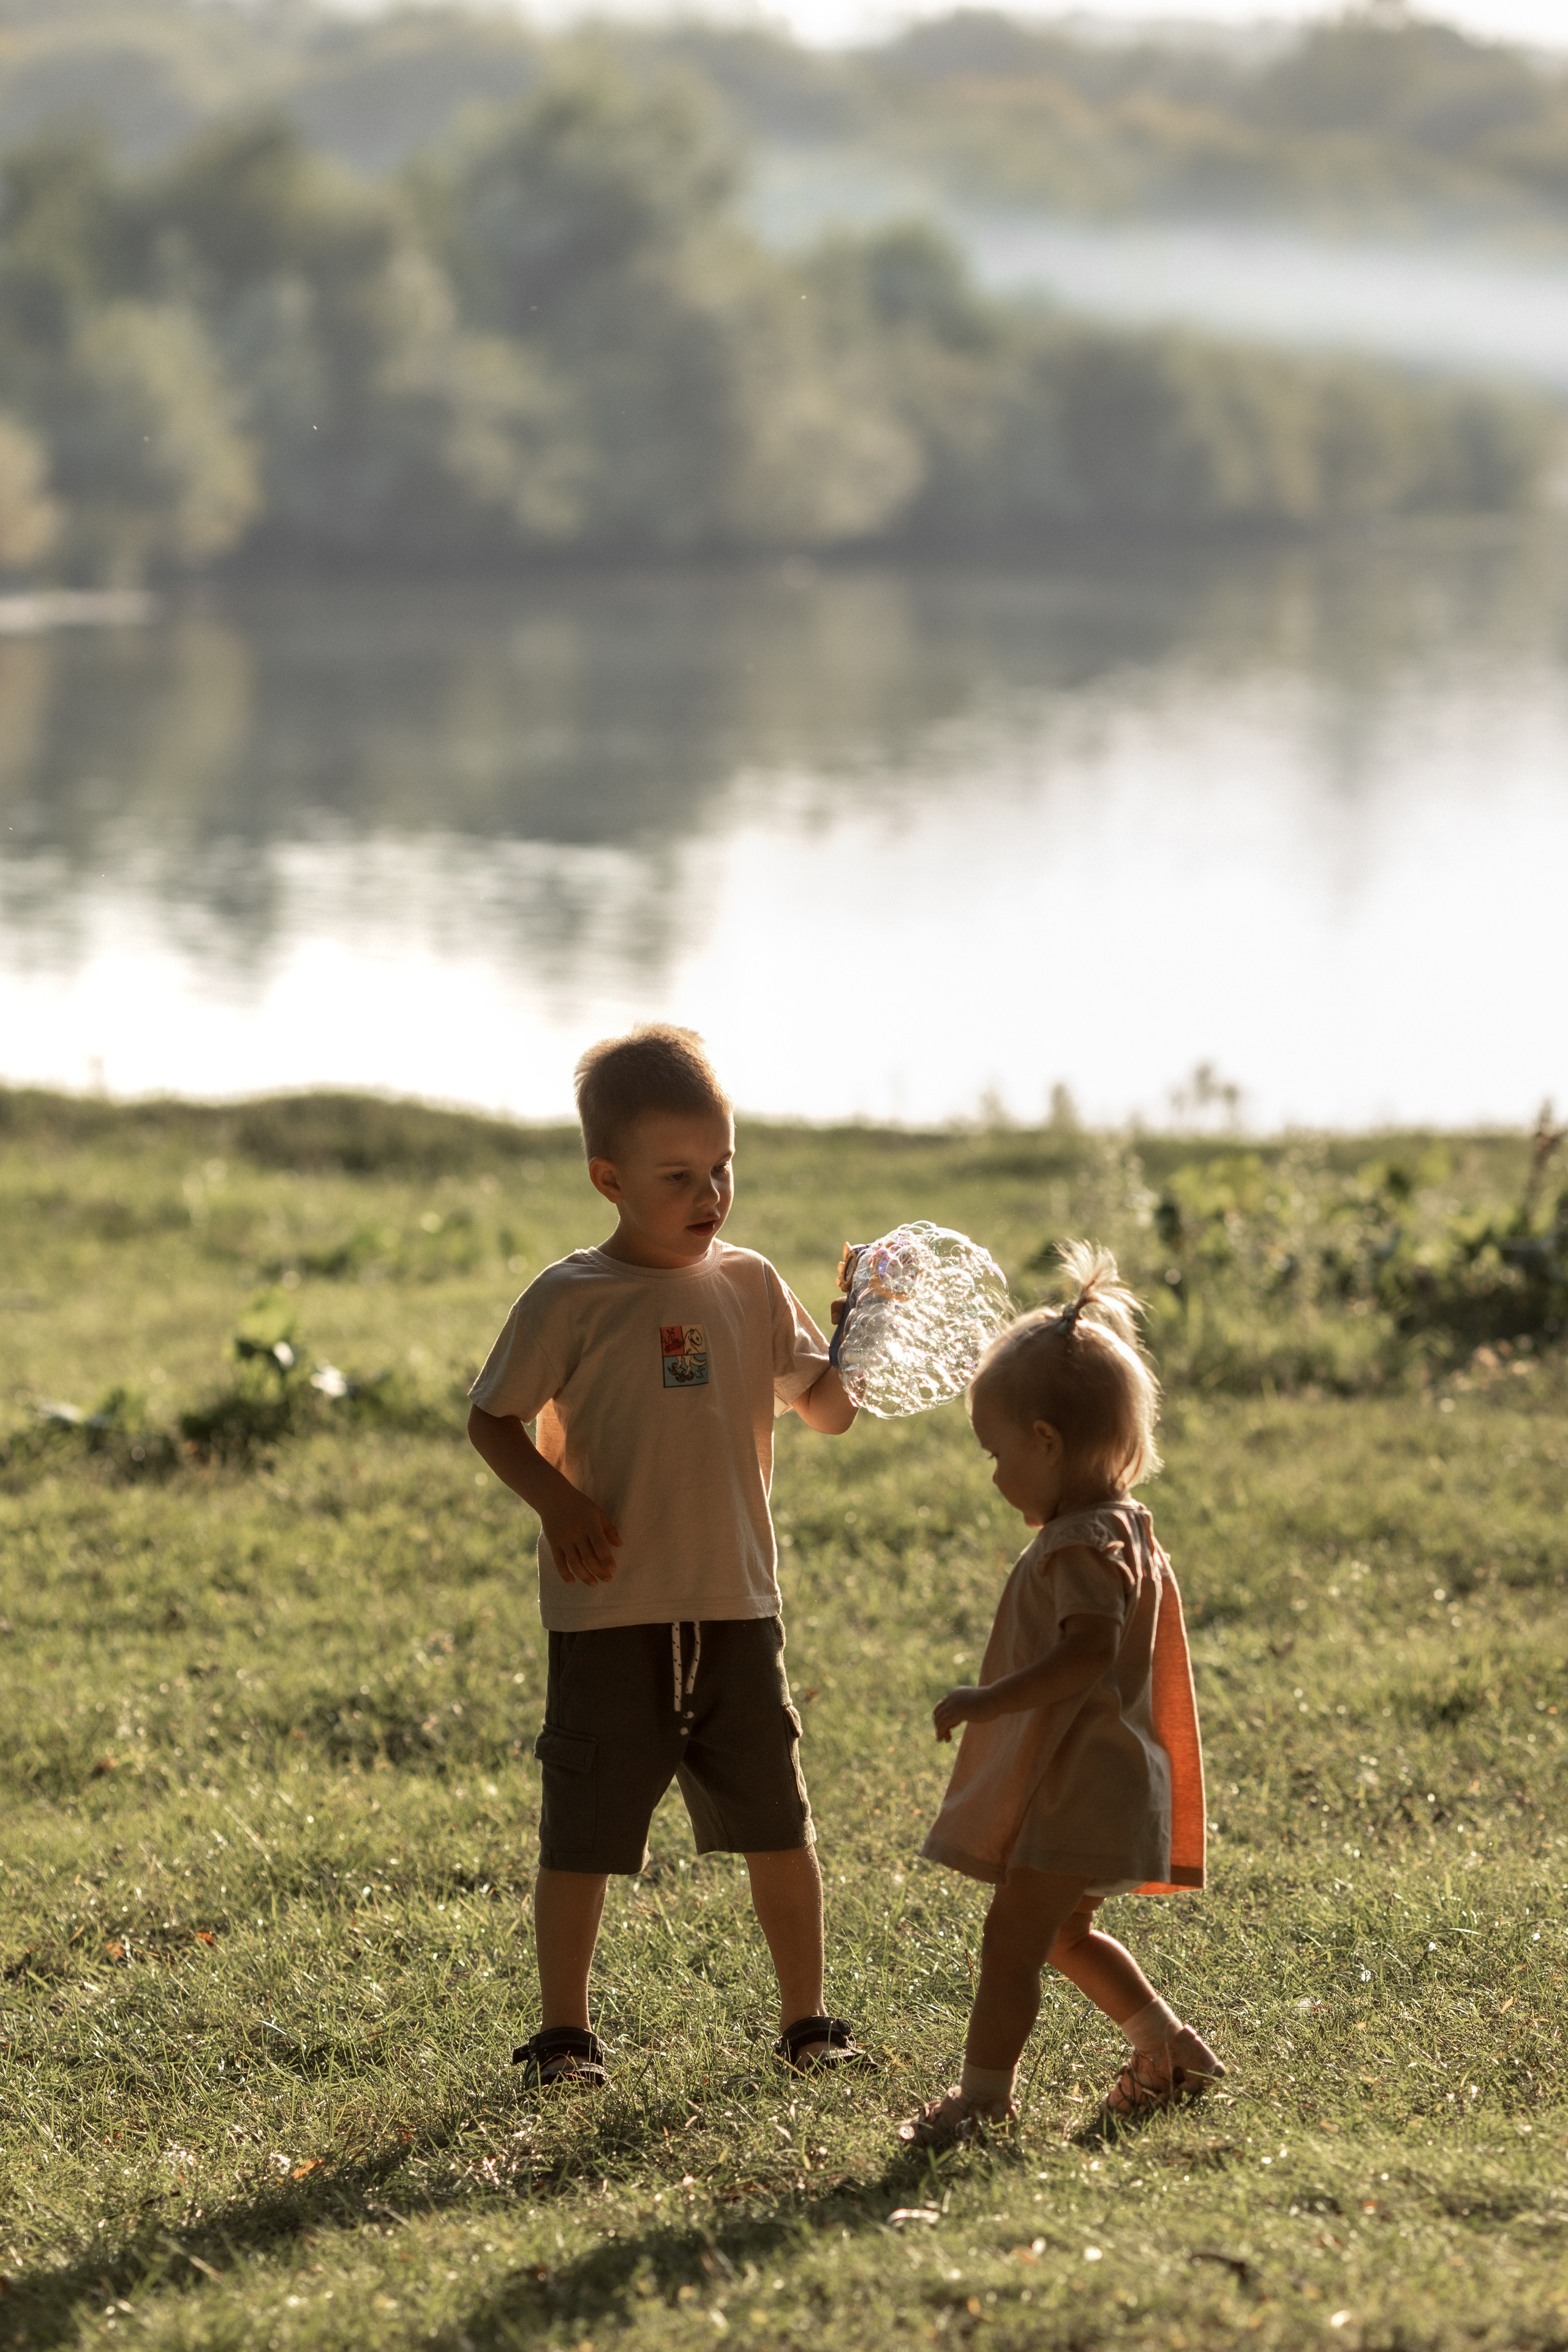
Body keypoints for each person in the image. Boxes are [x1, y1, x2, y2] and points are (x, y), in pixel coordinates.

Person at [468, 1023, 865, 2087]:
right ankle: (564, 2035)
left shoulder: (751, 1284)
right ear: (609, 1179)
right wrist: (557, 1503)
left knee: (781, 1824)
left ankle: (808, 2022)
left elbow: (826, 1410)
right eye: (678, 1176)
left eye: (723, 1168)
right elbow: (490, 1419)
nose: (710, 1195)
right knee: (582, 1832)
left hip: (737, 1605)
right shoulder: (570, 1298)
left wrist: (854, 1335)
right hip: (610, 1610)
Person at [900, 1242, 1224, 2147]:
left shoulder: (1083, 1542)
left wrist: (989, 1698)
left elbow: (1089, 1654)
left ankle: (982, 2102)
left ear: (1044, 1443)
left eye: (996, 1453)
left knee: (1012, 1941)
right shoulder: (1120, 1526)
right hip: (1103, 1779)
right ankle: (1172, 2050)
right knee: (1060, 1936)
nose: (993, 1473)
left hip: (1081, 1782)